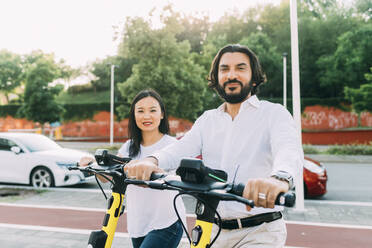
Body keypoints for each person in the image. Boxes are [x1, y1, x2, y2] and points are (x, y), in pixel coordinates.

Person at [124, 44, 304, 247]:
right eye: (224, 69)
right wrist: (151, 160)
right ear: (216, 78)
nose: (231, 75)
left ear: (254, 78)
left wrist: (279, 179)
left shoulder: (274, 114)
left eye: (241, 68)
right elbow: (180, 149)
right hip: (211, 230)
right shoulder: (207, 120)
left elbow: (289, 150)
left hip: (259, 232)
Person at [80, 89, 186, 248]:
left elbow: (181, 178)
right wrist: (93, 164)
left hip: (167, 222)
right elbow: (108, 176)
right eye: (140, 111)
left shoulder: (172, 146)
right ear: (134, 115)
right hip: (138, 224)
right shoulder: (128, 148)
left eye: (152, 110)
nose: (147, 116)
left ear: (162, 114)